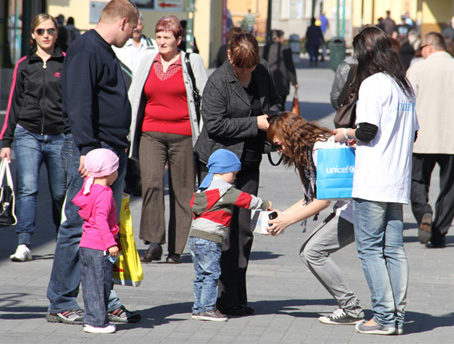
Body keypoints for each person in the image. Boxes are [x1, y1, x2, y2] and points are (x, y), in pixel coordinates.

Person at [46, 0, 141, 325]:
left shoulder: (101, 49)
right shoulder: (88, 49)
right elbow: (79, 102)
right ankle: (61, 300)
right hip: (93, 153)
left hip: (108, 153)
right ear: (124, 21)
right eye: (132, 30)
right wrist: (87, 149)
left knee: (106, 230)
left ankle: (103, 298)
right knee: (78, 226)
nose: (131, 37)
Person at [333, 26, 419, 335]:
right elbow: (413, 132)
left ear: (367, 55)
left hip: (373, 180)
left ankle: (383, 318)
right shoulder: (405, 85)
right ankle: (396, 317)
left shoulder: (372, 85)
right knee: (394, 249)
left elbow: (367, 130)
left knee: (370, 249)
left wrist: (346, 134)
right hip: (397, 179)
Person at [194, 33, 281, 316]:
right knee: (221, 231)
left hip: (249, 161)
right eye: (241, 66)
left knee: (244, 231)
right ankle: (214, 299)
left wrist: (275, 127)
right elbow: (215, 125)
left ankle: (235, 297)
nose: (246, 72)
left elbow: (275, 104)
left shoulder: (262, 70)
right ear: (230, 57)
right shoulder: (218, 81)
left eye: (251, 66)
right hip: (218, 164)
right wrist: (253, 123)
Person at [266, 112, 365, 326]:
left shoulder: (321, 149)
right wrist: (282, 216)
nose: (279, 150)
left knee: (313, 252)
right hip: (351, 207)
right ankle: (357, 308)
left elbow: (322, 201)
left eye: (278, 144)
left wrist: (287, 221)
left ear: (290, 135)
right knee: (311, 252)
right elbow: (310, 198)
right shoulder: (313, 148)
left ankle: (351, 308)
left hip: (357, 208)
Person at [128, 15, 207, 264]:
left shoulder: (191, 62)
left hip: (184, 135)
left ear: (178, 39)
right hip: (150, 134)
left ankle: (177, 248)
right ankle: (153, 243)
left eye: (167, 37)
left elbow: (205, 98)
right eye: (159, 36)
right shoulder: (146, 61)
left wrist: (204, 135)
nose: (162, 41)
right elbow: (134, 95)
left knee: (182, 192)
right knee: (150, 185)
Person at [1, 13, 66, 262]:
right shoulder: (24, 65)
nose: (46, 35)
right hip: (27, 134)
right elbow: (14, 104)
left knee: (60, 192)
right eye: (41, 31)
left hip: (59, 136)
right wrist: (6, 141)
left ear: (56, 33)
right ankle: (24, 243)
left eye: (50, 30)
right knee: (28, 188)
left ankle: (64, 239)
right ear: (33, 35)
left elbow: (73, 102)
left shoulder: (66, 63)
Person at [189, 149, 272, 322]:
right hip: (210, 240)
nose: (235, 177)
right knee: (211, 274)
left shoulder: (204, 187)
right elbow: (246, 200)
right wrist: (265, 204)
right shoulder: (225, 190)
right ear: (221, 171)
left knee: (201, 275)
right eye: (233, 173)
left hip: (195, 237)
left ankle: (198, 308)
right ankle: (208, 309)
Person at [407, 32, 454, 248]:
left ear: (429, 48)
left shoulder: (417, 69)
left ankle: (424, 213)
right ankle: (439, 233)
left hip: (422, 138)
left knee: (417, 181)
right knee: (450, 188)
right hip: (451, 140)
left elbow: (406, 104)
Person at [72, 149, 120, 334]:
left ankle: (91, 319)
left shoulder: (89, 187)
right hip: (100, 246)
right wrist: (111, 243)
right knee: (101, 284)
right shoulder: (105, 194)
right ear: (110, 172)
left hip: (86, 245)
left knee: (91, 284)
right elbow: (101, 220)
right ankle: (97, 322)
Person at [112, 12, 158, 197]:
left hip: (145, 100)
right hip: (124, 100)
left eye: (139, 24)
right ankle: (128, 178)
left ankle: (137, 179)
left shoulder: (152, 46)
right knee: (126, 138)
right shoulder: (120, 47)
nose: (137, 28)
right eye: (134, 24)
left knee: (140, 138)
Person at [261, 29, 298, 109]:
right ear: (278, 38)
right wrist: (294, 82)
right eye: (282, 37)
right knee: (281, 106)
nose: (283, 39)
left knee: (269, 106)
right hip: (282, 83)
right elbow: (290, 66)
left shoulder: (263, 49)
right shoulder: (285, 49)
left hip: (266, 83)